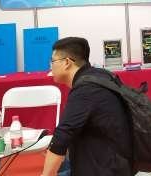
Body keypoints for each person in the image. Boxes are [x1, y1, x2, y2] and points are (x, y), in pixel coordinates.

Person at [41, 37, 133, 176]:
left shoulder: (86, 90)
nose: (50, 66)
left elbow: (62, 135)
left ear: (67, 63)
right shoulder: (100, 75)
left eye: (52, 61)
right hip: (116, 159)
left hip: (105, 169)